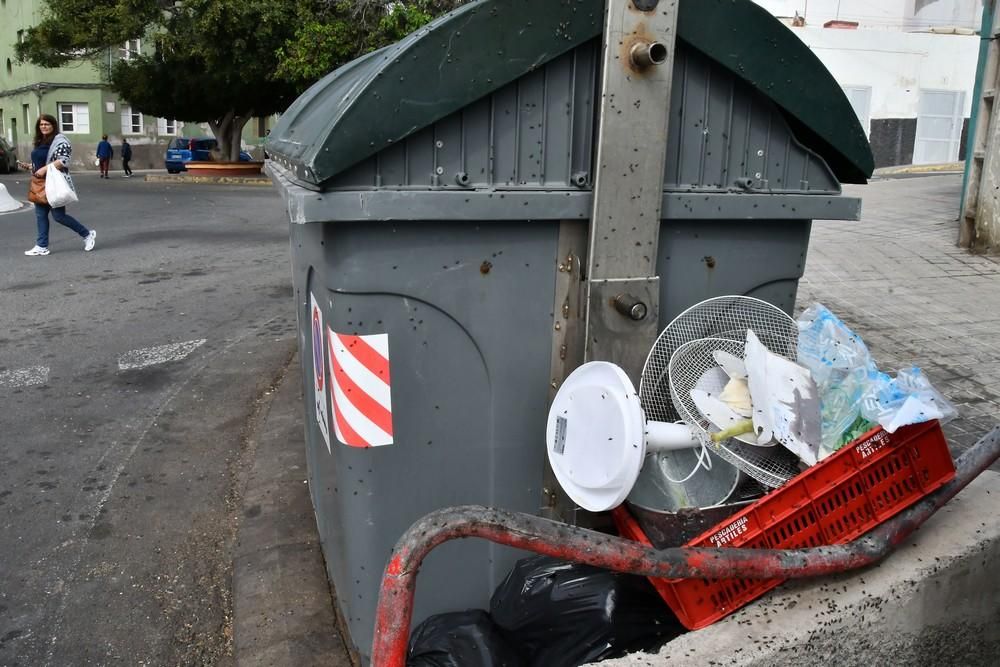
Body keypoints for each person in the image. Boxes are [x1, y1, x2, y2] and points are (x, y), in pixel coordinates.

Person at [21, 114, 96, 257]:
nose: (44, 126)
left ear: (53, 125)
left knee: (59, 216)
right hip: (40, 183)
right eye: (41, 124)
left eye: (47, 124)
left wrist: (44, 169)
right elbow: (42, 162)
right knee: (40, 215)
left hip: (53, 183)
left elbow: (63, 161)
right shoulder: (40, 141)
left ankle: (87, 234)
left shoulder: (60, 141)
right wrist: (32, 166)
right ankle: (41, 245)